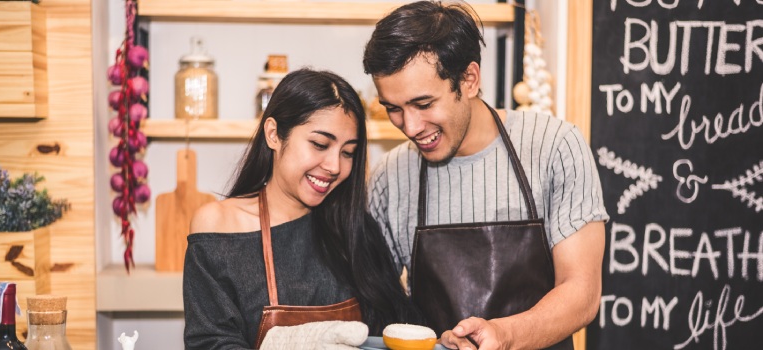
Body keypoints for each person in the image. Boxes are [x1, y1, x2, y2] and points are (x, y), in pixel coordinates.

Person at [363, 1, 609, 349]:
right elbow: (377, 302)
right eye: (393, 109)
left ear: (469, 80)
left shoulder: (555, 147)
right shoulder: (390, 177)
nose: (411, 126)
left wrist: (505, 335)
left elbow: (582, 293)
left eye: (424, 104)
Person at [183, 68, 420, 349]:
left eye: (348, 153)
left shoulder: (356, 227)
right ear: (273, 134)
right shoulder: (219, 226)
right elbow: (210, 342)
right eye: (320, 144)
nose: (335, 166)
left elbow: (394, 328)